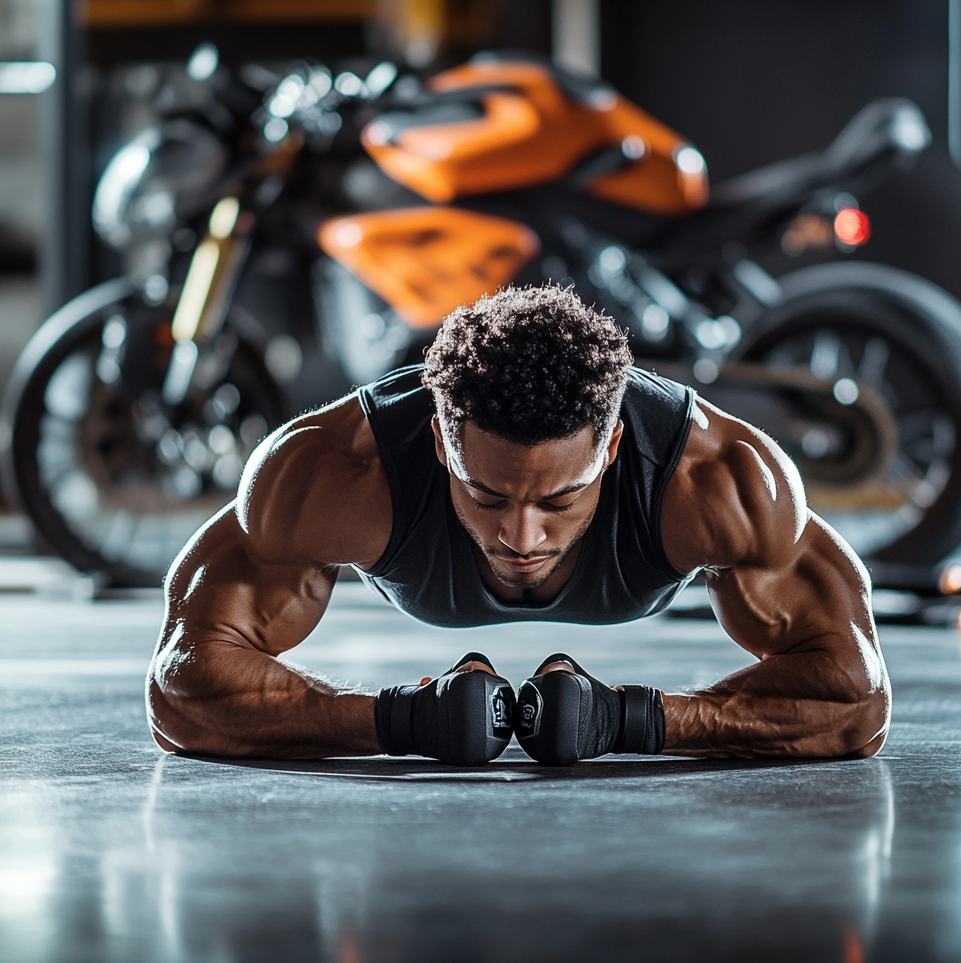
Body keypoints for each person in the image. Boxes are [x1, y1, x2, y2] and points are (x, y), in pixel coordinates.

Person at [147, 286, 889, 767]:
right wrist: (397, 724)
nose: (522, 538)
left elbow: (855, 698)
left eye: (561, 499)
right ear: (441, 445)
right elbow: (183, 691)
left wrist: (629, 720)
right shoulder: (333, 474)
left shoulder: (718, 482)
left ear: (613, 447)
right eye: (488, 495)